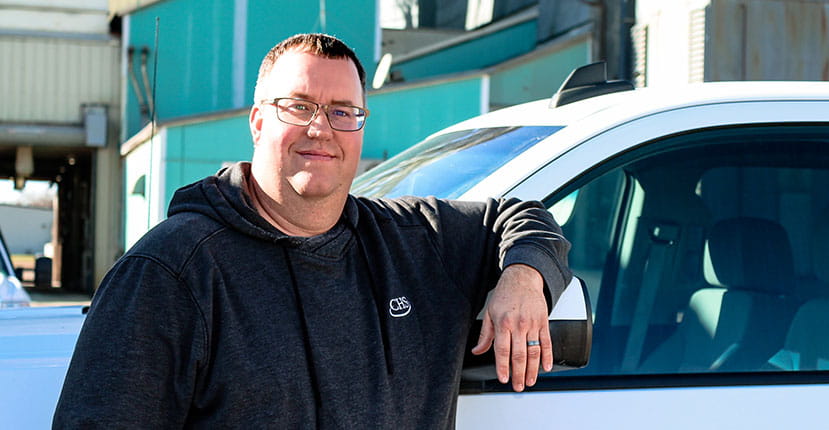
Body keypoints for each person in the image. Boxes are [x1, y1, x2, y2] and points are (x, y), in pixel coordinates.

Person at [53, 33, 571, 428]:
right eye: (299, 106)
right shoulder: (171, 272)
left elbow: (523, 216)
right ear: (258, 121)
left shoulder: (413, 241)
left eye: (343, 111)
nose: (321, 129)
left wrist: (524, 279)